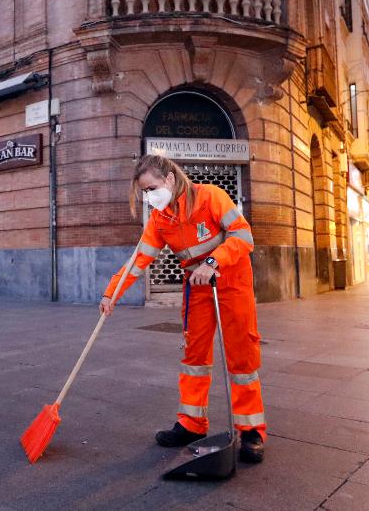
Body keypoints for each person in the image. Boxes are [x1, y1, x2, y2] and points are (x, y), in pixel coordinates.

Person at [100, 154, 265, 464]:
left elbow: (243, 236)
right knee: (194, 357)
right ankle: (191, 424)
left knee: (242, 354)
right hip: (197, 286)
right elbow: (138, 262)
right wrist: (112, 294)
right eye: (144, 193)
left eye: (151, 188)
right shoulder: (160, 221)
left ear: (170, 180)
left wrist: (214, 261)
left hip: (232, 279)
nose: (149, 197)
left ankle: (251, 430)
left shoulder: (210, 197)